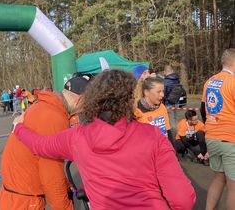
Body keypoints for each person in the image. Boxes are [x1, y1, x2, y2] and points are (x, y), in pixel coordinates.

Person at [13, 70, 196, 210]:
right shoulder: (153, 136)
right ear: (130, 100)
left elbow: (40, 145)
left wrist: (19, 127)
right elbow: (183, 199)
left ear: (94, 100)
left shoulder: (77, 137)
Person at [0, 76, 89, 210]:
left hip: (16, 195)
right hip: (25, 200)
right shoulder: (54, 117)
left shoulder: (44, 106)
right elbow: (51, 175)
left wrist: (65, 184)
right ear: (80, 99)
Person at [201, 48, 235, 210]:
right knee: (233, 186)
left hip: (212, 136)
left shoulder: (209, 81)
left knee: (218, 178)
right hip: (230, 138)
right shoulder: (233, 82)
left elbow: (203, 109)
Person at [135, 77, 175, 145]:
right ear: (146, 92)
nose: (162, 95)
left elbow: (167, 130)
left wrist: (173, 151)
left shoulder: (162, 107)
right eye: (158, 92)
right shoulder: (136, 110)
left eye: (163, 91)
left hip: (163, 148)